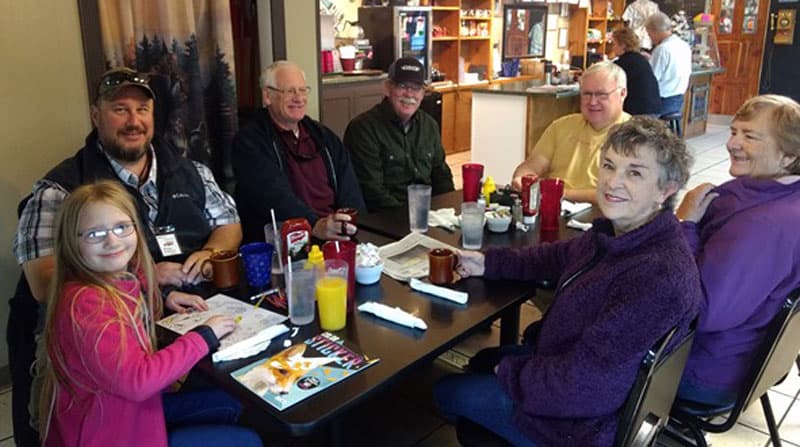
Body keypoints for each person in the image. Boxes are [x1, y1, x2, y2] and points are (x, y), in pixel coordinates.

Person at [10, 67, 242, 446]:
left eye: (142, 109)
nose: (133, 121)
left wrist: (207, 254)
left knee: (235, 398)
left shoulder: (190, 171)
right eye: (120, 109)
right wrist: (153, 272)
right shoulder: (60, 189)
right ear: (96, 115)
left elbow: (229, 224)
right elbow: (42, 281)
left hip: (170, 316)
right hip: (112, 374)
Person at [435, 117, 701, 446]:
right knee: (481, 361)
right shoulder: (622, 234)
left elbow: (584, 387)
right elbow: (557, 257)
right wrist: (488, 262)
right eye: (608, 165)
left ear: (667, 188)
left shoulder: (656, 275)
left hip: (576, 426)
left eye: (634, 172)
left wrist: (511, 374)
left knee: (445, 391)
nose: (613, 182)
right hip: (564, 368)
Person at [37, 181, 261, 447]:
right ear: (71, 243)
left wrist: (165, 296)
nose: (112, 241)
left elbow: (130, 286)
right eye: (94, 234)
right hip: (111, 436)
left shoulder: (102, 282)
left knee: (229, 403)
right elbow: (138, 382)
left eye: (121, 227)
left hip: (127, 415)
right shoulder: (87, 303)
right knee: (247, 440)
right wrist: (204, 336)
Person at [675, 94, 800, 406]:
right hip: (739, 355)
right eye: (734, 131)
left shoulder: (764, 227)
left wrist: (686, 225)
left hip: (701, 371)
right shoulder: (771, 190)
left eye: (750, 136)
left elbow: (699, 312)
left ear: (787, 156)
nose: (732, 143)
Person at [232, 60, 366, 242]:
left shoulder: (323, 136)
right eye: (289, 91)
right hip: (289, 243)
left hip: (337, 237)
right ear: (267, 96)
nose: (299, 98)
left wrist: (350, 224)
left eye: (302, 90)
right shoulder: (250, 142)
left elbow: (349, 187)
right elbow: (272, 197)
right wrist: (314, 225)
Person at [511, 61, 631, 203]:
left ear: (622, 93)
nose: (592, 102)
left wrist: (562, 193)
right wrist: (522, 178)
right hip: (553, 207)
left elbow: (617, 193)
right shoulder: (561, 126)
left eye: (601, 94)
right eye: (586, 94)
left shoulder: (633, 137)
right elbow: (533, 164)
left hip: (600, 215)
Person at [343, 57, 454, 211]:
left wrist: (450, 210)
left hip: (427, 216)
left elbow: (441, 176)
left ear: (423, 93)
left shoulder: (429, 125)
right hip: (386, 220)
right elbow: (372, 192)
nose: (409, 94)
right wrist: (411, 219)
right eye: (402, 86)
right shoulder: (363, 129)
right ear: (388, 88)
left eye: (416, 88)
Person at [645, 12, 692, 117]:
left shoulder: (662, 49)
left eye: (649, 34)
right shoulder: (684, 45)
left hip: (662, 101)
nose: (649, 37)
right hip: (678, 99)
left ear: (655, 31)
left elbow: (652, 79)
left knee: (632, 109)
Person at [611, 27, 662, 116]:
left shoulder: (622, 63)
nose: (612, 48)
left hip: (638, 112)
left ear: (622, 45)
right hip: (655, 108)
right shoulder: (641, 59)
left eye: (614, 44)